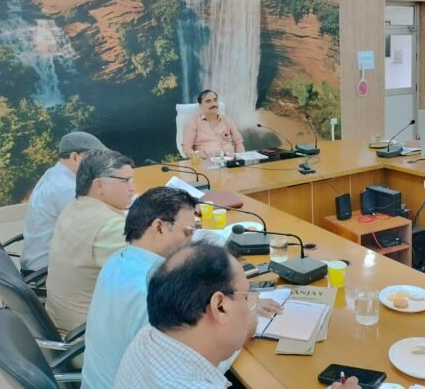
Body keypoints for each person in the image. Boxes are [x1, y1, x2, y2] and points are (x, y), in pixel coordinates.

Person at [82, 187, 283, 388]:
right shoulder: (150, 291)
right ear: (159, 227)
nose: (190, 242)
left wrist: (237, 300)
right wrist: (243, 326)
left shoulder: (118, 260)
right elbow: (194, 367)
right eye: (187, 233)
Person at [46, 149, 135, 335]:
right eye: (125, 181)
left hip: (62, 321)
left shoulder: (74, 207)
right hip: (87, 335)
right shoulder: (109, 226)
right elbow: (151, 270)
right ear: (99, 185)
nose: (132, 188)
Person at [20, 131, 107, 274]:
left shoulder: (55, 175)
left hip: (41, 263)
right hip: (45, 273)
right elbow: (98, 230)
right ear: (74, 157)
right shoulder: (65, 189)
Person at [182, 89, 245, 159]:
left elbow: (239, 143)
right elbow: (186, 149)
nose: (213, 104)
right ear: (200, 106)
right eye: (208, 101)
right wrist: (201, 159)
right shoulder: (193, 124)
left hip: (230, 161)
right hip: (206, 162)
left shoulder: (228, 121)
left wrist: (240, 159)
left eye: (215, 100)